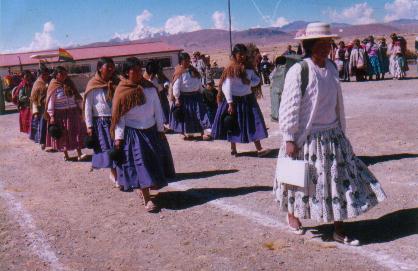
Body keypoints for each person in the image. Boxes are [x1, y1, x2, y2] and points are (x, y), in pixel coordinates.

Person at [274, 22, 386, 245]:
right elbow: (289, 106)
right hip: (308, 138)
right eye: (322, 43)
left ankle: (338, 228)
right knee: (302, 181)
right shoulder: (300, 70)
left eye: (328, 43)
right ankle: (292, 214)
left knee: (339, 182)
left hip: (332, 136)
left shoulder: (332, 68)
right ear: (310, 45)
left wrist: (341, 132)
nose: (327, 47)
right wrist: (288, 137)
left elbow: (337, 103)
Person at [111, 57, 174, 212]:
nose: (139, 73)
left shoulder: (150, 88)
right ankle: (147, 200)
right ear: (127, 72)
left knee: (153, 163)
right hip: (134, 134)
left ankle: (144, 189)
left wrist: (160, 129)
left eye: (141, 69)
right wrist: (118, 138)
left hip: (151, 131)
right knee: (142, 164)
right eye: (135, 70)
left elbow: (157, 110)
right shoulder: (122, 91)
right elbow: (120, 118)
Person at [211, 43, 271, 157]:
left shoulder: (249, 68)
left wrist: (250, 83)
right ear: (234, 55)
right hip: (234, 101)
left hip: (248, 99)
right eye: (240, 55)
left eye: (244, 54)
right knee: (233, 123)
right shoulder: (230, 69)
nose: (242, 57)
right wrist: (230, 103)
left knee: (253, 123)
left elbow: (257, 80)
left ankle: (259, 149)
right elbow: (226, 86)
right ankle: (233, 148)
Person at [84, 57, 118, 184]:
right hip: (102, 122)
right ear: (99, 68)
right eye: (107, 66)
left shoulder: (117, 82)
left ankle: (121, 173)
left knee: (120, 146)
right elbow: (87, 107)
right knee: (109, 148)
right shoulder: (93, 85)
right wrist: (89, 126)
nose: (110, 69)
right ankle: (114, 173)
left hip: (117, 120)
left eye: (112, 66)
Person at [45, 66, 87, 161]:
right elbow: (50, 101)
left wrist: (81, 110)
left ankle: (79, 153)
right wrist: (51, 116)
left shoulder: (70, 84)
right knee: (64, 134)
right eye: (62, 74)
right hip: (60, 114)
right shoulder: (53, 86)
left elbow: (77, 97)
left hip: (73, 112)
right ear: (56, 75)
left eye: (65, 73)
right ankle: (66, 154)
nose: (64, 76)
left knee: (76, 132)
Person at [169, 52, 211, 140]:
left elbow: (198, 81)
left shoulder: (193, 70)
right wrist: (177, 98)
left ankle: (203, 132)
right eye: (186, 60)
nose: (188, 62)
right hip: (184, 98)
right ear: (181, 61)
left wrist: (201, 91)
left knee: (200, 114)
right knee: (186, 116)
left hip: (196, 96)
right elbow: (176, 86)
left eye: (188, 60)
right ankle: (186, 133)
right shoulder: (179, 72)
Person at [144, 61, 171, 128]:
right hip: (151, 97)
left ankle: (163, 125)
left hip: (161, 95)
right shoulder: (145, 77)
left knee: (163, 110)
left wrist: (166, 85)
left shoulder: (159, 74)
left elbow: (165, 80)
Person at [29, 66, 50, 149]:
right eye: (44, 74)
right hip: (41, 108)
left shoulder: (49, 81)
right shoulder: (37, 83)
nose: (46, 76)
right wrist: (35, 111)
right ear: (41, 74)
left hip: (50, 107)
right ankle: (42, 142)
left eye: (47, 74)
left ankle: (51, 142)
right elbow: (33, 99)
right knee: (43, 125)